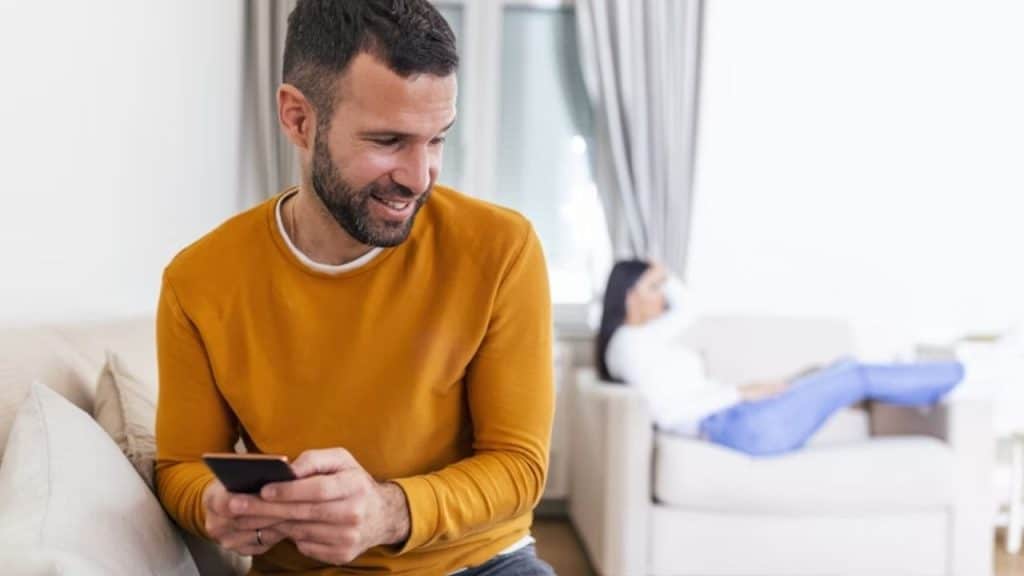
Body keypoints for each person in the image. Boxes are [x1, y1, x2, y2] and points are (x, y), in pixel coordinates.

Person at [154, 1, 555, 574]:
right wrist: (213, 505)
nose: (420, 178)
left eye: (437, 139)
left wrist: (388, 512)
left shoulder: (501, 249)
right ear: (297, 119)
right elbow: (179, 468)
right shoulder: (198, 281)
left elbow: (518, 466)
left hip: (478, 564)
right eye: (389, 141)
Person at [596, 260, 963, 456]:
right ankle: (963, 374)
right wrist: (740, 393)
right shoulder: (627, 346)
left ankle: (932, 379)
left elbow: (689, 308)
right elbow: (668, 412)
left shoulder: (643, 337)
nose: (663, 296)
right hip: (736, 422)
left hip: (740, 417)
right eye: (654, 288)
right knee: (853, 375)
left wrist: (661, 272)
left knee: (840, 370)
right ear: (629, 296)